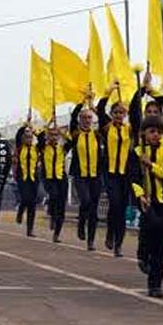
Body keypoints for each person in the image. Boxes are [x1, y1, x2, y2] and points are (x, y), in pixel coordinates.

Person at [130, 115, 163, 297]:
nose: (156, 135)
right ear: (144, 133)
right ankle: (142, 252)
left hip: (161, 200)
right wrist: (140, 196)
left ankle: (155, 283)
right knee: (151, 227)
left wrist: (152, 165)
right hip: (145, 199)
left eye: (158, 132)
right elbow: (133, 177)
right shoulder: (137, 152)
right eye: (152, 131)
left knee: (161, 241)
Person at [97, 87, 131, 257]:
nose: (119, 115)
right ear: (112, 113)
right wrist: (108, 90)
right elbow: (100, 108)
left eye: (122, 112)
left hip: (125, 175)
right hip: (110, 174)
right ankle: (110, 233)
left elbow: (139, 116)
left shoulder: (129, 130)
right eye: (116, 112)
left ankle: (119, 244)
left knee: (122, 208)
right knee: (115, 204)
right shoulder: (106, 127)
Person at [70, 95, 102, 251]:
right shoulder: (75, 135)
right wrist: (82, 101)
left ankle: (91, 241)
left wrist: (94, 106)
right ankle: (81, 223)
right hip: (80, 175)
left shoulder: (98, 135)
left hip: (95, 175)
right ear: (80, 119)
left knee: (94, 209)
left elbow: (104, 118)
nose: (87, 120)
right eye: (84, 118)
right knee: (86, 201)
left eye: (89, 118)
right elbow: (72, 117)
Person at [39, 122, 71, 243]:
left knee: (61, 206)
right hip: (48, 178)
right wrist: (47, 125)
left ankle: (57, 234)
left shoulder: (62, 148)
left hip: (61, 178)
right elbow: (40, 137)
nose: (54, 137)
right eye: (51, 135)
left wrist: (61, 131)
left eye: (55, 135)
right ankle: (51, 214)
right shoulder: (43, 148)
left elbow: (71, 142)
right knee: (54, 196)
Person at [14, 123, 39, 237]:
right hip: (22, 178)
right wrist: (25, 125)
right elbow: (18, 134)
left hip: (33, 178)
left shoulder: (36, 148)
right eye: (26, 137)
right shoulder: (20, 148)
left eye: (30, 137)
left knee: (32, 204)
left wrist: (34, 131)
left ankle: (30, 229)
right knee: (26, 198)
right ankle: (20, 211)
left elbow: (42, 138)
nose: (29, 139)